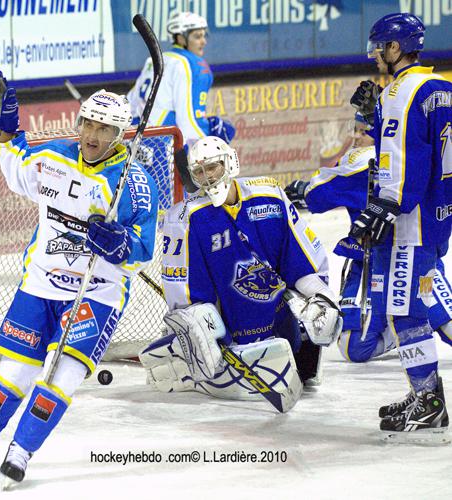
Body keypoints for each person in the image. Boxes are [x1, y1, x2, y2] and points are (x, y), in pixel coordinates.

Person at [0, 71, 158, 483]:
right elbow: (17, 170)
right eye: (88, 123)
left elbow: (142, 252)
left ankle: (22, 449)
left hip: (96, 293)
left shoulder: (135, 185)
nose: (92, 134)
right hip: (41, 283)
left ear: (120, 135)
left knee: (61, 372)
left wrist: (121, 244)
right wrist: (5, 128)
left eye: (104, 128)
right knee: (14, 371)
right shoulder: (54, 158)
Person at [138, 136, 342, 412]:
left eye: (212, 167)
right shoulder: (185, 218)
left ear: (230, 163)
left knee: (304, 347)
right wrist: (199, 331)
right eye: (199, 172)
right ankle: (184, 358)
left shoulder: (271, 197)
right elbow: (185, 293)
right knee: (199, 339)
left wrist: (322, 297)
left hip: (279, 326)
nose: (207, 178)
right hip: (230, 338)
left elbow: (302, 261)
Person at [349, 13, 452, 442]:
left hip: (412, 221)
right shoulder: (442, 87)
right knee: (412, 302)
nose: (376, 57)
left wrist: (385, 204)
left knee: (404, 308)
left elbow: (403, 155)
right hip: (438, 213)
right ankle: (424, 395)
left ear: (396, 48)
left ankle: (429, 402)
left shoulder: (400, 92)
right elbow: (420, 140)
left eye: (379, 49)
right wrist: (371, 116)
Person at [285, 113, 452, 364]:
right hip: (371, 264)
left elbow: (318, 192)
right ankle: (399, 330)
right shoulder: (415, 153)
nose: (355, 137)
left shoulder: (364, 161)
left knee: (447, 323)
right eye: (355, 130)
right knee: (355, 347)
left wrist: (304, 189)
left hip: (417, 258)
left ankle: (419, 315)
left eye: (363, 132)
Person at [127, 11, 235, 146]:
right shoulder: (194, 65)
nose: (204, 41)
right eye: (197, 36)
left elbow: (130, 103)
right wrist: (210, 144)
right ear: (181, 38)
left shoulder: (155, 59)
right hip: (162, 144)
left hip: (135, 139)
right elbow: (189, 121)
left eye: (203, 35)